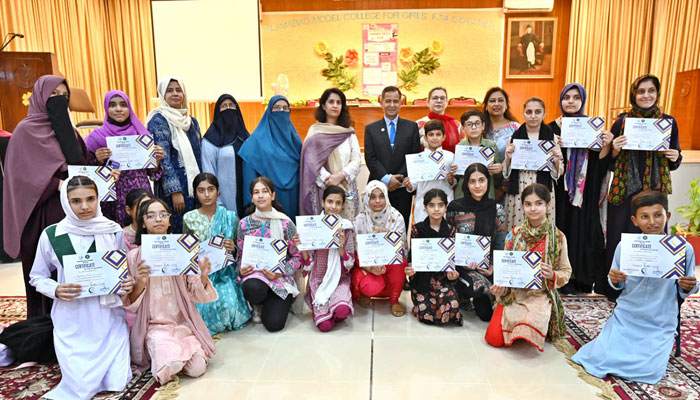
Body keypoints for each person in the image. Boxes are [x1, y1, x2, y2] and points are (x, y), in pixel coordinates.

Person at [572, 190, 698, 384]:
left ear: (668, 216)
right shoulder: (626, 247)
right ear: (634, 220)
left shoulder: (683, 249)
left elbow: (684, 290)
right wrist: (615, 279)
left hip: (660, 319)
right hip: (627, 316)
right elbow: (616, 285)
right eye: (644, 217)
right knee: (598, 358)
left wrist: (688, 285)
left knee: (649, 371)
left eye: (658, 215)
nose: (652, 222)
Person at [29, 176, 133, 399]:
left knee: (117, 381)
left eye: (90, 199)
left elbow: (121, 272)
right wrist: (55, 289)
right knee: (80, 388)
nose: (85, 206)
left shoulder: (112, 230)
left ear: (98, 198)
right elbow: (37, 277)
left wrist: (126, 281)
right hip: (72, 319)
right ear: (66, 202)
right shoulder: (52, 235)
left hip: (108, 318)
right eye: (76, 201)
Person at [4, 75, 90, 317]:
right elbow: (19, 177)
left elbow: (81, 163)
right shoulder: (24, 131)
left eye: (64, 96)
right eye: (53, 95)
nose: (59, 101)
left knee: (73, 268)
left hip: (72, 212)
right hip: (40, 213)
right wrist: (56, 184)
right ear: (40, 97)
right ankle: (43, 327)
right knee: (47, 269)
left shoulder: (69, 131)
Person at [603, 74, 682, 296]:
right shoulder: (620, 122)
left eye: (651, 91)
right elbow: (609, 163)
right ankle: (617, 289)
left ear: (657, 94)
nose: (646, 95)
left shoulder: (668, 122)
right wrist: (615, 150)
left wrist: (675, 156)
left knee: (653, 238)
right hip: (624, 192)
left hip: (654, 193)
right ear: (633, 94)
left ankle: (653, 289)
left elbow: (674, 162)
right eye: (641, 91)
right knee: (621, 239)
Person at [126, 198, 217, 384]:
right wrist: (141, 281)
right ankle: (165, 353)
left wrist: (204, 277)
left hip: (183, 323)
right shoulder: (134, 256)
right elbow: (130, 303)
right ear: (143, 222)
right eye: (151, 216)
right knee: (169, 367)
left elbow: (194, 292)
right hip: (155, 326)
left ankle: (175, 350)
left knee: (197, 369)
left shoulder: (183, 250)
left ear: (169, 220)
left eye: (163, 215)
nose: (158, 219)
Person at [485, 183, 571, 351]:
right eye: (528, 204)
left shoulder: (558, 237)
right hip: (514, 293)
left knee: (526, 330)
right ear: (523, 206)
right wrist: (500, 288)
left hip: (540, 295)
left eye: (538, 203)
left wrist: (552, 274)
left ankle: (539, 324)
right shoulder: (514, 234)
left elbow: (566, 271)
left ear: (548, 205)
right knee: (494, 338)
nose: (533, 209)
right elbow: (505, 270)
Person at [548, 83, 613, 294]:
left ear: (582, 100)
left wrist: (606, 145)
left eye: (576, 97)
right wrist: (552, 144)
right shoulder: (551, 128)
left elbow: (600, 164)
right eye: (567, 97)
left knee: (584, 232)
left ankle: (581, 279)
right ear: (560, 100)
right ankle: (559, 278)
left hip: (585, 190)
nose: (571, 101)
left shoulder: (592, 127)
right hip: (558, 190)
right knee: (561, 229)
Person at [183, 173, 250, 334]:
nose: (206, 195)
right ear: (195, 193)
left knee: (230, 308)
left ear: (218, 191)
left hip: (225, 274)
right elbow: (186, 253)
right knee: (204, 310)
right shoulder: (189, 218)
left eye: (210, 189)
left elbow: (239, 251)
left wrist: (232, 246)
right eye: (201, 190)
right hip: (200, 276)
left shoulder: (230, 217)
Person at [85, 90, 164, 225]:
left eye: (123, 105)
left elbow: (153, 173)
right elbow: (87, 175)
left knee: (142, 230)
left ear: (129, 108)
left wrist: (156, 159)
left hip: (140, 193)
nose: (118, 109)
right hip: (111, 197)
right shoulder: (96, 137)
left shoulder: (141, 134)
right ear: (106, 108)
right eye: (113, 105)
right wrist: (98, 160)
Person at [237, 177, 303, 332]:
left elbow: (297, 256)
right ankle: (257, 304)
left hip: (279, 279)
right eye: (256, 192)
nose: (260, 196)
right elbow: (240, 256)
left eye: (265, 191)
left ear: (272, 195)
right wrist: (241, 269)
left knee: (274, 324)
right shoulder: (244, 224)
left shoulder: (286, 223)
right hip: (255, 277)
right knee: (252, 287)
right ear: (251, 198)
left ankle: (268, 304)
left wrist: (281, 272)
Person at [446, 163, 506, 321]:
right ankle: (463, 293)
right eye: (472, 181)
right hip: (462, 268)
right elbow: (448, 241)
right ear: (466, 183)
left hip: (488, 268)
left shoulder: (497, 209)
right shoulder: (455, 207)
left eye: (482, 180)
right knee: (478, 288)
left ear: (488, 182)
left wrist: (493, 266)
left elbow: (499, 243)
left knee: (488, 314)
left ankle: (475, 292)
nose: (477, 185)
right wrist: (460, 263)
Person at [146, 77, 202, 233]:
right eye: (169, 90)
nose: (175, 94)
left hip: (192, 185)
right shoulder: (158, 120)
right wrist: (175, 191)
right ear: (162, 94)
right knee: (175, 228)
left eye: (178, 90)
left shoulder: (191, 122)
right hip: (173, 188)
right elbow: (162, 158)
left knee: (192, 229)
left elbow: (198, 155)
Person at [296, 185, 355, 332]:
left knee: (341, 311)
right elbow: (308, 262)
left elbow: (350, 262)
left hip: (339, 279)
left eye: (338, 203)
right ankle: (326, 311)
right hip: (318, 280)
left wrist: (340, 246)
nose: (333, 206)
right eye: (330, 202)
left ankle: (335, 309)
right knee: (325, 327)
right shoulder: (313, 226)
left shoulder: (346, 227)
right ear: (322, 203)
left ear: (342, 206)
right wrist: (301, 247)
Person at [364, 86, 421, 231]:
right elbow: (370, 158)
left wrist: (398, 180)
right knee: (376, 229)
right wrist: (387, 179)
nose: (391, 105)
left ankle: (401, 254)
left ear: (401, 103)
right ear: (381, 102)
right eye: (388, 101)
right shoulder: (371, 129)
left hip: (402, 189)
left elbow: (414, 157)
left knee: (400, 227)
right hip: (378, 188)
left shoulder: (411, 127)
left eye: (395, 101)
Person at [299, 88, 361, 221]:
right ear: (323, 105)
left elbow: (356, 160)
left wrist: (341, 176)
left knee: (346, 230)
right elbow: (311, 162)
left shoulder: (349, 133)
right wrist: (331, 181)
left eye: (339, 103)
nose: (335, 105)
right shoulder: (315, 133)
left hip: (346, 188)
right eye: (331, 102)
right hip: (324, 190)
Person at [503, 98, 563, 232]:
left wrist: (557, 160)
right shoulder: (513, 138)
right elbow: (506, 172)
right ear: (523, 114)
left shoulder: (552, 138)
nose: (533, 116)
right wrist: (507, 157)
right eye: (529, 112)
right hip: (519, 186)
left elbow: (559, 173)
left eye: (538, 112)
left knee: (541, 229)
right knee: (518, 228)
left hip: (543, 186)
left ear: (544, 114)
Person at [351, 180, 408, 317]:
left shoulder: (396, 217)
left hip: (389, 263)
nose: (378, 201)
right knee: (372, 287)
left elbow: (401, 249)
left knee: (399, 263)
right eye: (373, 197)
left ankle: (394, 300)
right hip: (367, 264)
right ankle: (365, 293)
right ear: (366, 198)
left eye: (382, 196)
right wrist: (370, 267)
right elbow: (355, 252)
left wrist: (389, 238)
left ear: (387, 197)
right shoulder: (360, 220)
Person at [405, 189, 462, 325]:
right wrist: (410, 268)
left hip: (443, 281)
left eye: (440, 205)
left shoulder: (451, 231)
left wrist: (453, 274)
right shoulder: (417, 229)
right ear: (425, 207)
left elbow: (453, 261)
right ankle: (420, 306)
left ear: (445, 207)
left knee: (453, 305)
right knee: (425, 313)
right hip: (422, 281)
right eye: (431, 205)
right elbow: (412, 257)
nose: (436, 209)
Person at [239, 96, 302, 219]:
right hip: (266, 202)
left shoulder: (295, 142)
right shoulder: (254, 143)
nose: (281, 111)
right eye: (277, 108)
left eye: (285, 108)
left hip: (293, 198)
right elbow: (249, 178)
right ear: (269, 112)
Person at [201, 94, 249, 215]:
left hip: (247, 196)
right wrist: (216, 201)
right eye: (224, 106)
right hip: (224, 199)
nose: (228, 108)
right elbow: (208, 171)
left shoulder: (245, 137)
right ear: (218, 111)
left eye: (232, 105)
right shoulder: (210, 140)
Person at [404, 119, 457, 224]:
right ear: (425, 138)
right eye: (431, 135)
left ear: (444, 137)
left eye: (438, 134)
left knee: (444, 237)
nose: (434, 138)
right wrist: (409, 185)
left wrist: (452, 180)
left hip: (445, 202)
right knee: (424, 237)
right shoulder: (418, 158)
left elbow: (454, 182)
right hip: (423, 204)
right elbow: (413, 186)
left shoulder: (450, 156)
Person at [454, 110, 503, 200]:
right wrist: (454, 171)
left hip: (486, 194)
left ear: (483, 126)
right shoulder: (460, 147)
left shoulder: (491, 145)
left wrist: (499, 169)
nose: (474, 127)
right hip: (463, 195)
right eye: (469, 124)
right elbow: (457, 178)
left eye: (477, 123)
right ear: (463, 128)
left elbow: (498, 178)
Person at [482, 87, 520, 202]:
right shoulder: (480, 128)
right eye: (492, 101)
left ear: (506, 105)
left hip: (508, 186)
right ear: (486, 106)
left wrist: (503, 186)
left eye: (501, 100)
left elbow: (520, 157)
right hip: (482, 187)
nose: (496, 104)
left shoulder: (516, 128)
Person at [416, 87, 461, 153]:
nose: (439, 101)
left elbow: (462, 149)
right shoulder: (418, 124)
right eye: (435, 98)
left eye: (442, 98)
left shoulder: (457, 125)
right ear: (428, 102)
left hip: (451, 162)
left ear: (446, 102)